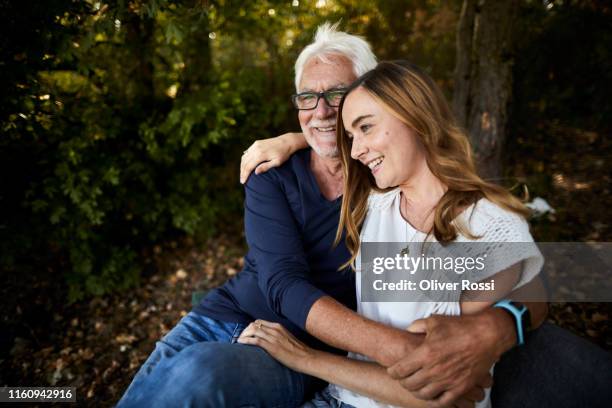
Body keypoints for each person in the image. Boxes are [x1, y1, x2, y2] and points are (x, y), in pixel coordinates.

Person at [117, 24, 547, 408]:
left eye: (338, 97)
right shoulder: (294, 179)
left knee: (195, 376)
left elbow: (530, 272)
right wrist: (295, 139)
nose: (322, 111)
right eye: (308, 97)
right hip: (226, 320)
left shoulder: (379, 185)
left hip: (300, 354)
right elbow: (283, 282)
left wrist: (500, 326)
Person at [236, 60, 544, 408]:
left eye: (365, 128)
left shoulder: (487, 229)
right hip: (340, 398)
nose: (355, 150)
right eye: (351, 136)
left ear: (414, 115)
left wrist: (305, 358)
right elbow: (329, 149)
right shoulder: (375, 200)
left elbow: (439, 395)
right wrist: (289, 140)